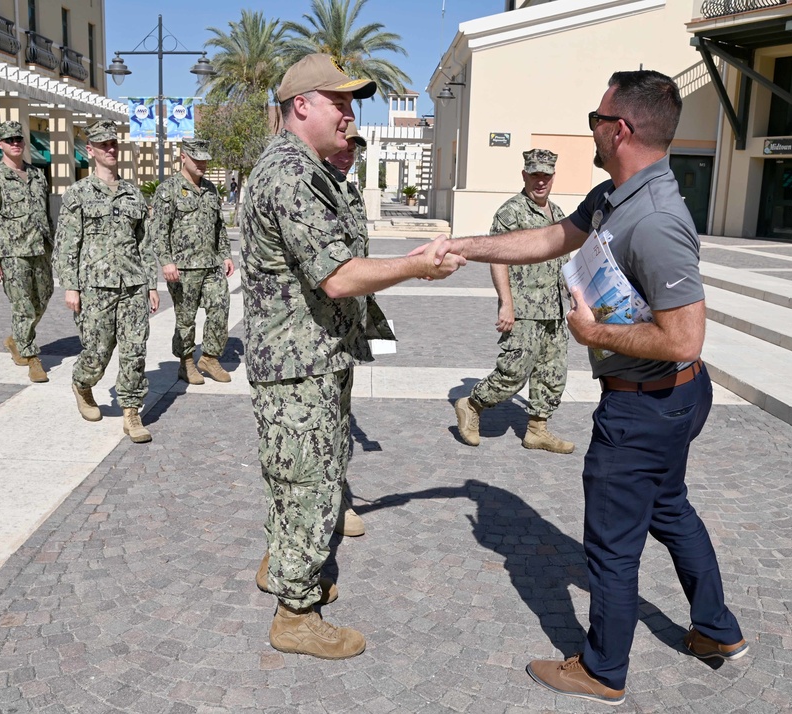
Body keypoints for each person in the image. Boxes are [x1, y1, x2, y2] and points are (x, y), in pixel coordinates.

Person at [422, 70, 747, 705]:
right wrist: (461, 245)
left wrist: (595, 335)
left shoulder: (655, 220)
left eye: (597, 118)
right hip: (665, 399)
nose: (591, 127)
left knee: (612, 543)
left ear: (620, 129)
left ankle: (603, 669)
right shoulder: (613, 196)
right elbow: (548, 238)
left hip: (647, 405)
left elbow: (685, 340)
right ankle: (716, 630)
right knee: (669, 508)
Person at [240, 53, 464, 660]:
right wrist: (417, 266)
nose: (349, 114)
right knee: (309, 481)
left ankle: (282, 565)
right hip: (298, 363)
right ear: (301, 106)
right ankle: (295, 612)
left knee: (296, 473)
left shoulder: (305, 170)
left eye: (352, 102)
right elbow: (337, 277)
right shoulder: (290, 175)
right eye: (339, 102)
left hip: (310, 356)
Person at [454, 148, 574, 453]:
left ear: (552, 177)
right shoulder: (511, 212)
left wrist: (575, 297)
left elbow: (565, 260)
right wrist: (506, 303)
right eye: (535, 175)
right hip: (524, 308)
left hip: (553, 309)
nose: (540, 181)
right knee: (514, 371)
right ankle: (472, 404)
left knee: (552, 372)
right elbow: (497, 258)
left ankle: (537, 429)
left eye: (546, 175)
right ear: (525, 175)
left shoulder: (558, 214)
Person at [53, 120, 160, 444]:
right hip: (94, 287)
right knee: (97, 351)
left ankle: (131, 413)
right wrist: (70, 286)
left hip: (132, 286)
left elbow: (145, 241)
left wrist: (151, 284)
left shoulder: (132, 193)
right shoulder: (78, 194)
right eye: (103, 145)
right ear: (91, 152)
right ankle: (82, 383)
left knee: (134, 350)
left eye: (113, 144)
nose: (110, 150)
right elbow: (66, 244)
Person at [322, 122, 394, 538]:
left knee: (341, 417)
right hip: (317, 327)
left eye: (355, 150)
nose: (349, 154)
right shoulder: (315, 189)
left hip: (348, 322)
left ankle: (338, 494)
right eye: (345, 147)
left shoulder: (349, 192)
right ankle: (327, 503)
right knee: (322, 422)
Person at [147, 138, 234, 385]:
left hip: (211, 264)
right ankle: (186, 361)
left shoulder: (210, 189)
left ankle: (209, 357)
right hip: (182, 269)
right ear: (183, 157)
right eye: (197, 158)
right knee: (185, 319)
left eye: (205, 159)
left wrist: (226, 254)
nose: (203, 163)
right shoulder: (169, 189)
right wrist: (166, 261)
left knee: (220, 307)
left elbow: (219, 227)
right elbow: (158, 230)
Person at [0, 120, 53, 383]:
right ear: (0, 145)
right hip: (12, 252)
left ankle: (16, 338)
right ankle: (31, 357)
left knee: (44, 296)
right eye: (9, 140)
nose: (15, 143)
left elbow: (45, 215)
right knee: (23, 306)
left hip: (40, 249)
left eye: (18, 139)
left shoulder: (38, 175)